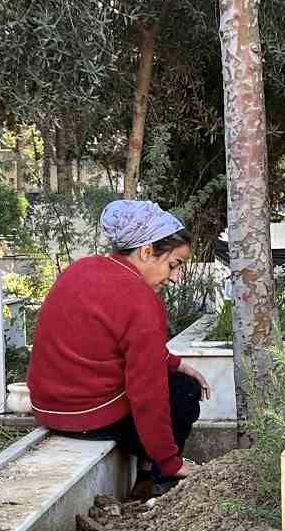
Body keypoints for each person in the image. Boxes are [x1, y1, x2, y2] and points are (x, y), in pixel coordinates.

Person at [27, 200, 212, 492]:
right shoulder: (141, 299)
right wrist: (169, 460)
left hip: (48, 409)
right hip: (91, 419)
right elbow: (147, 392)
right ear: (146, 251)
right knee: (183, 392)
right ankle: (162, 480)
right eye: (173, 265)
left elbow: (102, 340)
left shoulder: (82, 269)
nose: (175, 278)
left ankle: (151, 466)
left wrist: (175, 363)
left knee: (173, 378)